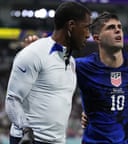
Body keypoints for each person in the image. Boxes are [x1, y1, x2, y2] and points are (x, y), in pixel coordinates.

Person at [5, 2, 91, 144]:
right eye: (86, 27)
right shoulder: (33, 53)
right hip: (29, 140)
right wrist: (26, 133)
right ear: (71, 26)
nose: (88, 35)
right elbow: (12, 100)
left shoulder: (72, 62)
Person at [75, 12, 128, 144]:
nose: (118, 30)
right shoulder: (82, 66)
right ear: (97, 38)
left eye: (119, 26)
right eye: (111, 27)